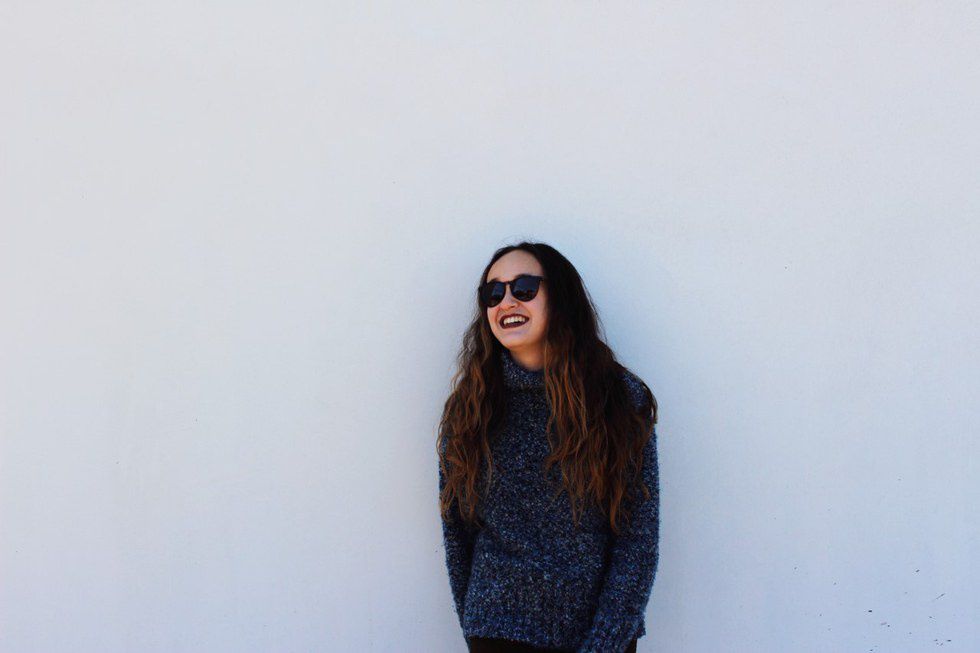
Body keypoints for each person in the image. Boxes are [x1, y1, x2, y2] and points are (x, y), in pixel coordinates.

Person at [437, 242, 660, 653]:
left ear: (559, 296)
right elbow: (458, 533)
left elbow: (637, 538)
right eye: (493, 293)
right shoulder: (469, 408)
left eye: (523, 288)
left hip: (599, 634)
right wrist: (475, 625)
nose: (506, 302)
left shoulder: (616, 399)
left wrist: (606, 642)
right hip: (498, 632)